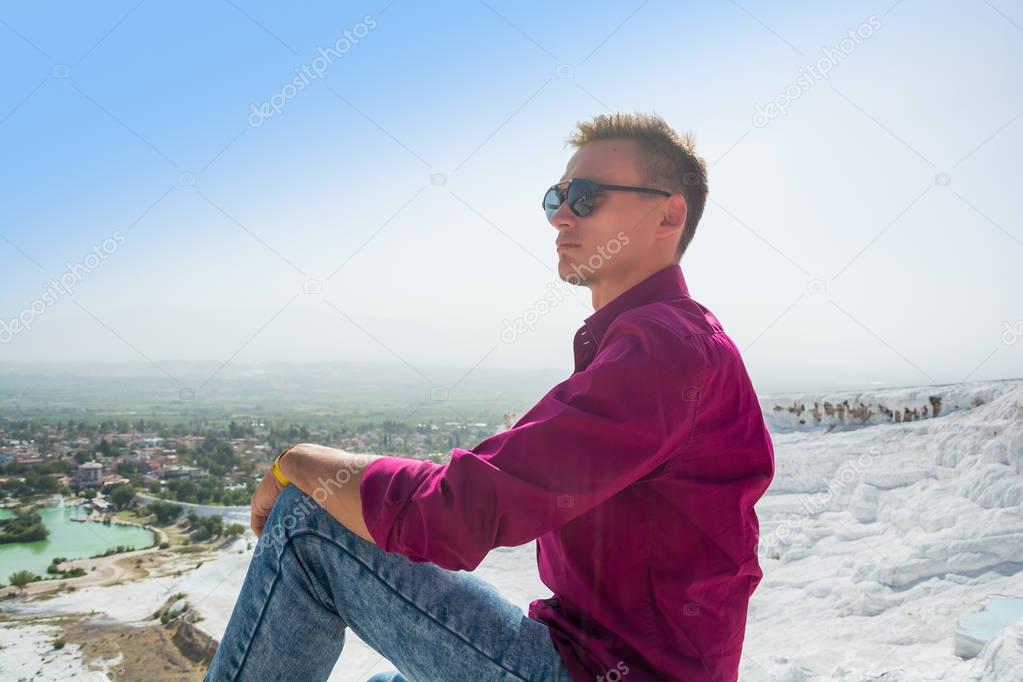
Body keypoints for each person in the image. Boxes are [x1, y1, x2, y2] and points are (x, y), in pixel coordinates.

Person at [204, 112, 775, 682]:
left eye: (586, 196)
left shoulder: (667, 350)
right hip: (577, 649)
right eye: (556, 197)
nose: (562, 217)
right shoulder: (656, 343)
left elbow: (462, 510)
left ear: (668, 213)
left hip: (597, 672)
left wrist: (298, 463)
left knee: (309, 522)